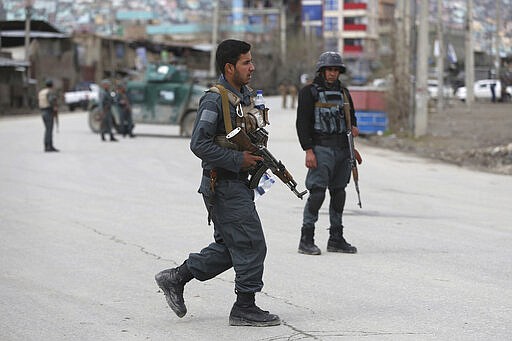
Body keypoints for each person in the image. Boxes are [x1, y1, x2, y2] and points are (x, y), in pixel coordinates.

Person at [154, 39, 280, 327]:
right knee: (250, 244)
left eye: (251, 60)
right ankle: (244, 307)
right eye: (246, 62)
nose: (252, 66)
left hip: (237, 184)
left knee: (231, 248)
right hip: (222, 184)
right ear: (229, 67)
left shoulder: (243, 96)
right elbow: (198, 144)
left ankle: (175, 278)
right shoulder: (214, 99)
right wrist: (238, 161)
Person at [295, 51, 359, 255]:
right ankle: (306, 238)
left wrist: (352, 146)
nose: (332, 73)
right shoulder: (309, 92)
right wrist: (308, 150)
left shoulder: (344, 93)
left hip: (342, 149)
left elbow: (352, 121)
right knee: (317, 193)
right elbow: (302, 123)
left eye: (336, 70)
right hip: (321, 148)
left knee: (339, 192)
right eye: (329, 69)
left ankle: (336, 238)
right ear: (322, 71)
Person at [38, 79, 59, 152]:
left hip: (43, 111)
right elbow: (51, 100)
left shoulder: (42, 92)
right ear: (52, 85)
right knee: (49, 130)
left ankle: (48, 145)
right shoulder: (50, 92)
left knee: (47, 129)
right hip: (48, 111)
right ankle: (48, 146)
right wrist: (55, 107)